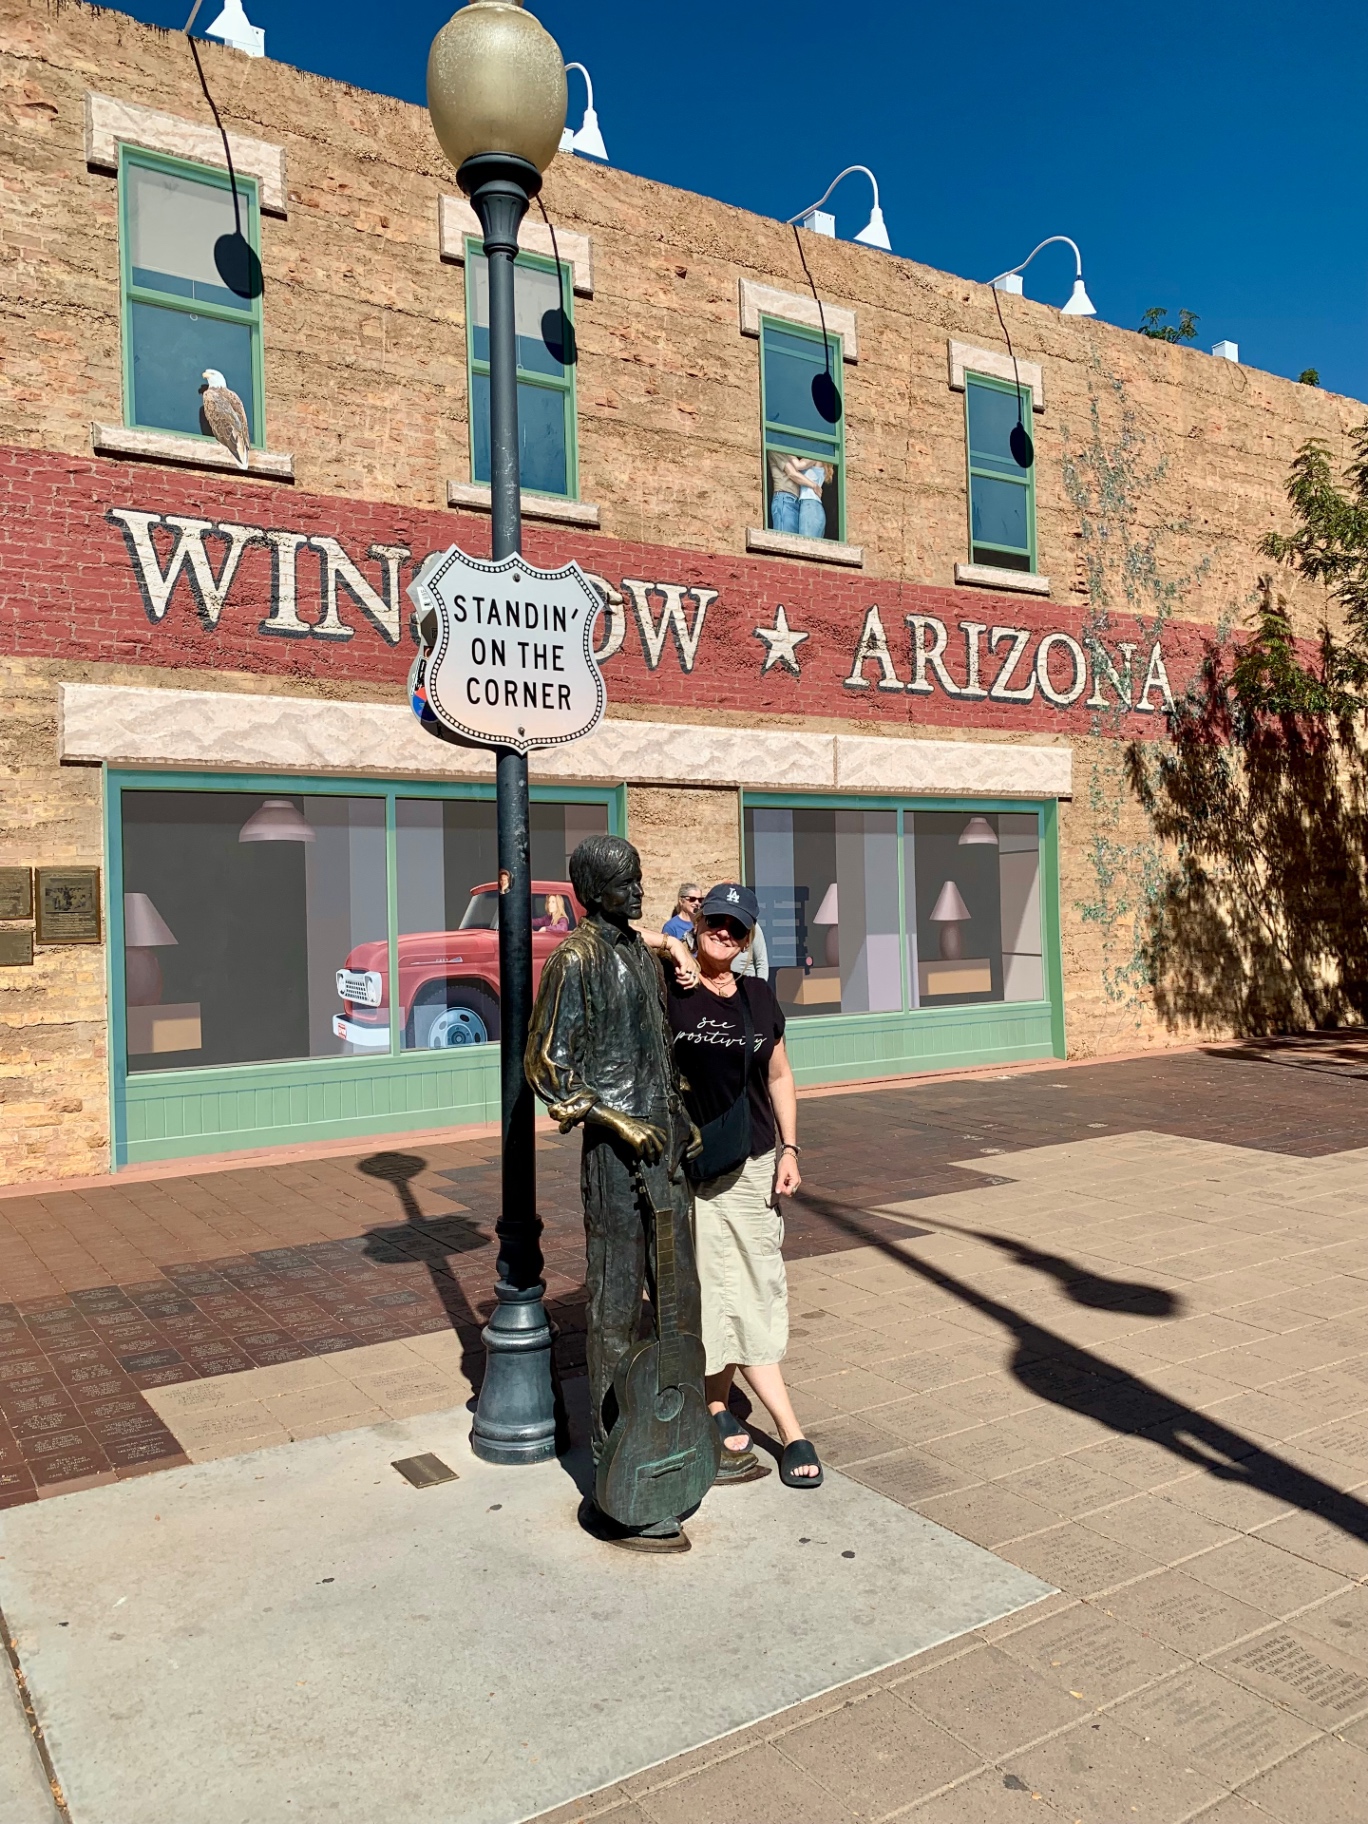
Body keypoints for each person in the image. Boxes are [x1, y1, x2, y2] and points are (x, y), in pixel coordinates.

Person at [525, 836, 712, 1552]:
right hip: (614, 1158)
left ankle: (681, 1429)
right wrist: (618, 1123)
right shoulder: (575, 960)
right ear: (592, 889)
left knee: (679, 1300)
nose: (639, 891)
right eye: (625, 882)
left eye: (639, 879)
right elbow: (549, 1067)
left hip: (665, 1147)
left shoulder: (641, 951)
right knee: (610, 1305)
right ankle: (614, 1462)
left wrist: (678, 1115)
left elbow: (657, 1048)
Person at [664, 882, 823, 1488]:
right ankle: (730, 1410)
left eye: (736, 926)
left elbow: (779, 1075)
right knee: (710, 1290)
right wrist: (676, 951)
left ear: (749, 937)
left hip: (755, 1163)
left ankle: (772, 1421)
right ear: (697, 922)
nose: (724, 933)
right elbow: (617, 935)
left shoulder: (759, 996)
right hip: (695, 1169)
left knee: (754, 1286)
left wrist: (790, 1147)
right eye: (714, 922)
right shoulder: (670, 988)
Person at [795, 459, 831, 540]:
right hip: (814, 506)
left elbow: (798, 465)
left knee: (806, 545)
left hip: (810, 505)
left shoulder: (815, 456)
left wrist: (788, 454)